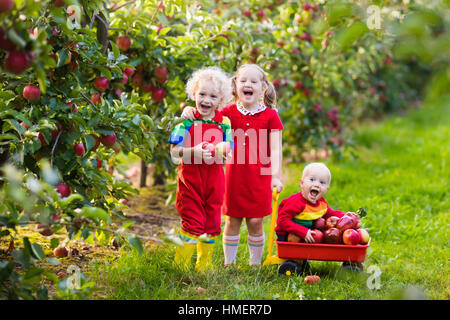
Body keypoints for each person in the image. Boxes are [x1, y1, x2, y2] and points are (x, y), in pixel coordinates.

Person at [181, 64, 284, 266]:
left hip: (259, 176)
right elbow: (205, 112)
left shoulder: (270, 115)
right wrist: (188, 110)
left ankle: (254, 264)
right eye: (243, 80)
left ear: (263, 87)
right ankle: (230, 263)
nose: (248, 84)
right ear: (235, 86)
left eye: (254, 82)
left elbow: (277, 149)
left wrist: (275, 176)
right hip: (233, 176)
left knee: (255, 221)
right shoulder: (227, 112)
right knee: (232, 219)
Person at [168, 66, 233, 272]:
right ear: (193, 94)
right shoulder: (185, 120)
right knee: (191, 220)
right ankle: (181, 264)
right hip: (190, 180)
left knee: (212, 222)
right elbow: (174, 152)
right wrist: (194, 151)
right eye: (202, 94)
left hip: (214, 180)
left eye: (213, 96)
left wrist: (221, 148)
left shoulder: (224, 122)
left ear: (220, 100)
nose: (206, 100)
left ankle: (204, 265)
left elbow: (228, 145)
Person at [275, 162, 346, 242]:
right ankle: (294, 253)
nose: (316, 185)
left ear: (326, 189)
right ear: (302, 183)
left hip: (309, 233)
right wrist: (302, 231)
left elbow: (330, 213)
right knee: (295, 237)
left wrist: (346, 216)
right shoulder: (296, 202)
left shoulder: (321, 203)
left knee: (324, 234)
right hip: (288, 234)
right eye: (312, 180)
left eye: (322, 182)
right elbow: (282, 221)